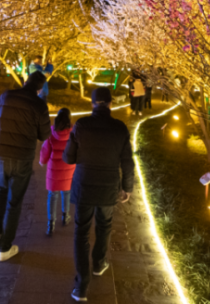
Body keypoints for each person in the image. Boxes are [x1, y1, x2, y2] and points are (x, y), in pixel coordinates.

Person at [64, 87, 134, 302]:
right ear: (110, 103)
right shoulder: (119, 127)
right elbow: (127, 161)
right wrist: (127, 187)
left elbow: (68, 158)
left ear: (92, 103)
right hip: (108, 185)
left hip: (84, 184)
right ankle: (99, 263)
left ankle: (81, 286)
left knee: (81, 231)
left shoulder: (81, 125)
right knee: (104, 225)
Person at [0, 70, 50, 262]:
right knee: (15, 201)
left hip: (2, 154)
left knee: (1, 190)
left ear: (25, 81)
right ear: (39, 89)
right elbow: (44, 135)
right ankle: (5, 248)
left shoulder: (7, 95)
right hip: (22, 156)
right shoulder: (39, 105)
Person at [39, 107, 75, 236]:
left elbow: (45, 151)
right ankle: (65, 217)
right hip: (68, 170)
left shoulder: (51, 133)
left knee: (52, 196)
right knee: (66, 193)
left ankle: (51, 224)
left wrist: (42, 161)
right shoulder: (73, 133)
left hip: (53, 171)